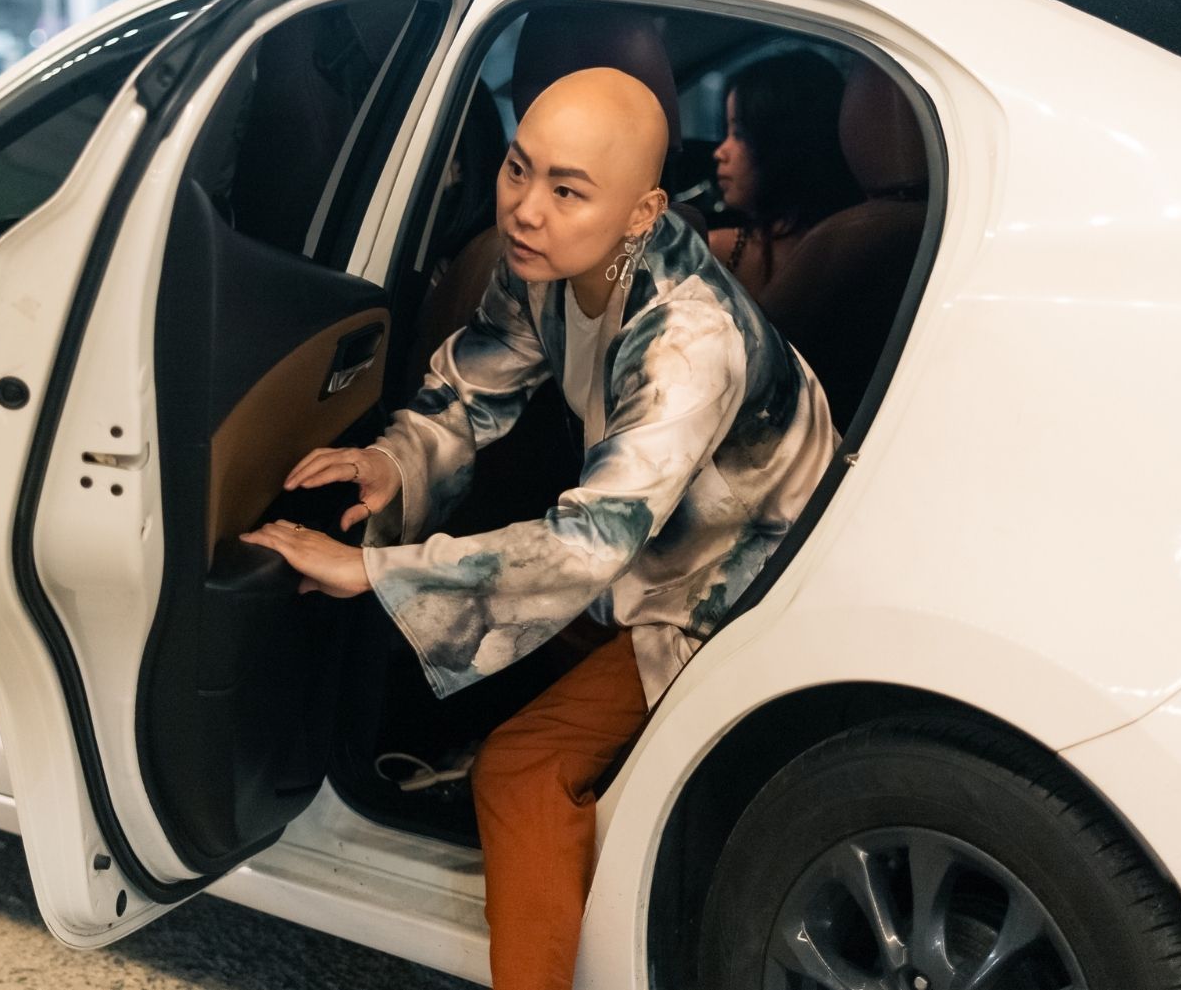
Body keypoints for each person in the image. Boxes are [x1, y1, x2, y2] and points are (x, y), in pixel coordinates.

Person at [242, 66, 836, 990]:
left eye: (567, 190)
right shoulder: (548, 266)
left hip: (742, 586)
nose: (525, 209)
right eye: (518, 168)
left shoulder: (691, 342)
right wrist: (390, 462)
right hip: (653, 550)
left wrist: (376, 571)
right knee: (481, 672)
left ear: (641, 214)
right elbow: (472, 389)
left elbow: (592, 541)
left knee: (520, 769)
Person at [708, 49, 857, 299]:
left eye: (740, 133)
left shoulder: (715, 250)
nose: (719, 152)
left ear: (783, 144)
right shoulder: (862, 242)